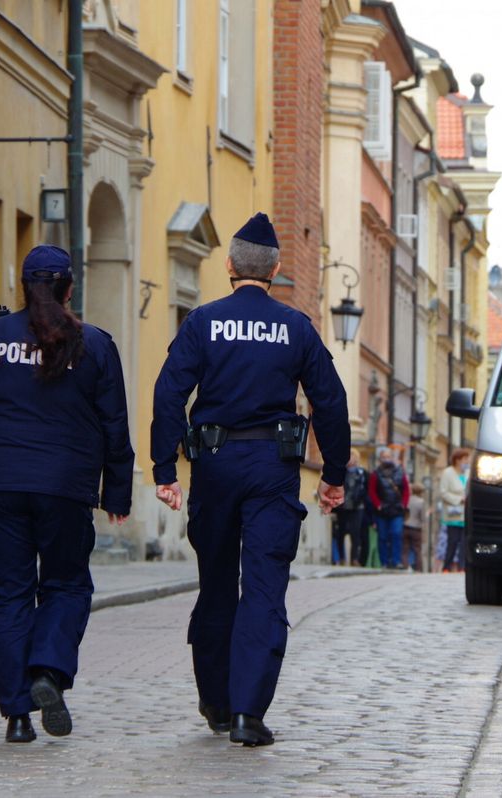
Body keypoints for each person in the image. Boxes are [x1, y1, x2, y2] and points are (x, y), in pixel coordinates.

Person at [150, 212, 350, 747]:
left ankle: (215, 701)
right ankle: (248, 713)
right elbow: (329, 401)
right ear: (277, 268)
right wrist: (333, 474)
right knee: (263, 588)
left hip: (214, 466)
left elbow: (169, 393)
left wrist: (165, 469)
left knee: (216, 583)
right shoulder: (297, 327)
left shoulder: (201, 322)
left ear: (230, 265)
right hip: (272, 470)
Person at [0, 245, 133, 744]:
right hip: (66, 488)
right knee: (67, 585)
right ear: (70, 287)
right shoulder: (93, 344)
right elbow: (115, 423)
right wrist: (116, 491)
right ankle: (48, 671)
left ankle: (17, 715)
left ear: (25, 288)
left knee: (6, 595)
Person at [368, 447, 410, 569]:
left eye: (388, 456)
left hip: (397, 509)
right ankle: (384, 562)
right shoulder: (375, 474)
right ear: (380, 459)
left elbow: (406, 490)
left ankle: (396, 561)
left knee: (396, 534)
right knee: (382, 537)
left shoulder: (400, 472)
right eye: (384, 457)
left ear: (392, 458)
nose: (386, 459)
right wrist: (378, 505)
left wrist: (404, 504)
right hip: (382, 510)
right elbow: (372, 491)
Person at [333, 450, 368, 566]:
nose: (350, 460)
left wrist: (360, 500)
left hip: (357, 507)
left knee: (355, 533)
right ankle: (342, 558)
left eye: (352, 457)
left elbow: (366, 490)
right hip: (342, 507)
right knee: (340, 533)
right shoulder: (341, 472)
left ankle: (354, 559)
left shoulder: (362, 473)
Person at [439, 449, 470, 572]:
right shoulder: (448, 473)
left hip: (466, 514)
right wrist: (458, 499)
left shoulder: (468, 473)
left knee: (464, 541)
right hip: (453, 513)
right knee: (452, 541)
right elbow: (443, 492)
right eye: (465, 459)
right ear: (457, 460)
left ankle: (462, 566)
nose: (467, 462)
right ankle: (447, 566)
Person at [403, 482, 427, 572]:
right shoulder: (421, 502)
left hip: (405, 526)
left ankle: (405, 566)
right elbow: (423, 518)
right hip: (416, 528)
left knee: (405, 549)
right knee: (417, 550)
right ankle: (419, 569)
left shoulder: (407, 499)